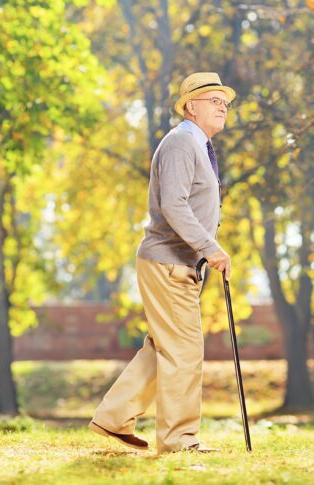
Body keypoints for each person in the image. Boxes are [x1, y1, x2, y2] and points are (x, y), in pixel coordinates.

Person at [88, 72, 235, 454]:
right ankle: (178, 440)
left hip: (176, 264)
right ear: (190, 106)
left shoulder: (195, 145)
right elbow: (173, 204)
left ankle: (113, 418)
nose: (223, 106)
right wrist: (209, 247)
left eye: (225, 102)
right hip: (168, 262)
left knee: (163, 348)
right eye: (213, 100)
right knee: (184, 351)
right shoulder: (181, 143)